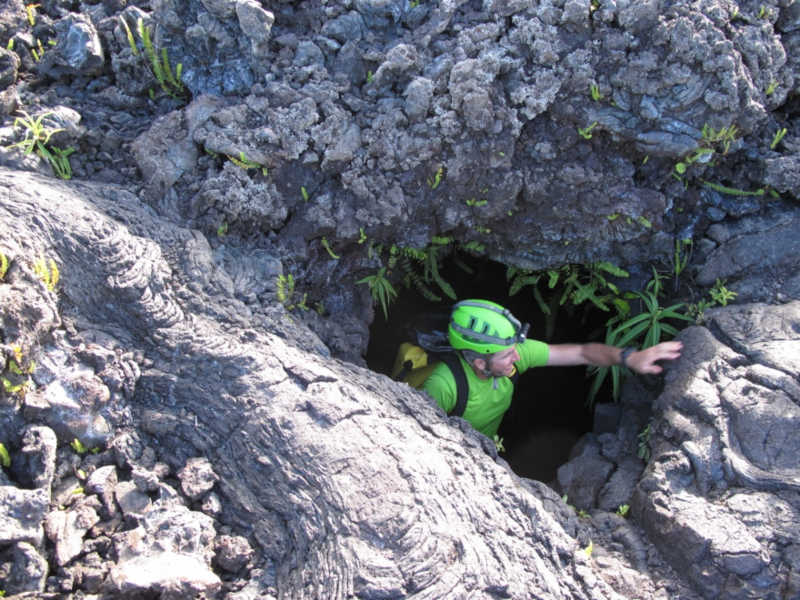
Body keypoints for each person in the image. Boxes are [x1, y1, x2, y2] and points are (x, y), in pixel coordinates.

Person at [422, 299, 683, 439]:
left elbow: (582, 353)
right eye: (507, 355)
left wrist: (629, 358)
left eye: (515, 348)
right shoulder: (443, 386)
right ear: (480, 362)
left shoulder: (514, 355)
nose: (517, 356)